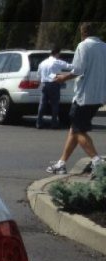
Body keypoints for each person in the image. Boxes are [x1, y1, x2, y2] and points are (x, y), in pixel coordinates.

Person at [46, 23, 106, 175]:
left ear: (83, 33)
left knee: (79, 130)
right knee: (74, 128)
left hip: (83, 97)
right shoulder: (104, 47)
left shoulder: (83, 46)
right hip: (98, 96)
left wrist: (62, 78)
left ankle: (97, 162)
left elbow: (78, 70)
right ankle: (61, 163)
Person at [36, 46, 72, 129]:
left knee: (42, 104)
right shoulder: (57, 62)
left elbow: (38, 75)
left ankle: (39, 123)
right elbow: (68, 66)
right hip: (54, 84)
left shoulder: (42, 63)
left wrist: (40, 81)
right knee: (55, 104)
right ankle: (54, 123)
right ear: (57, 53)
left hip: (44, 84)